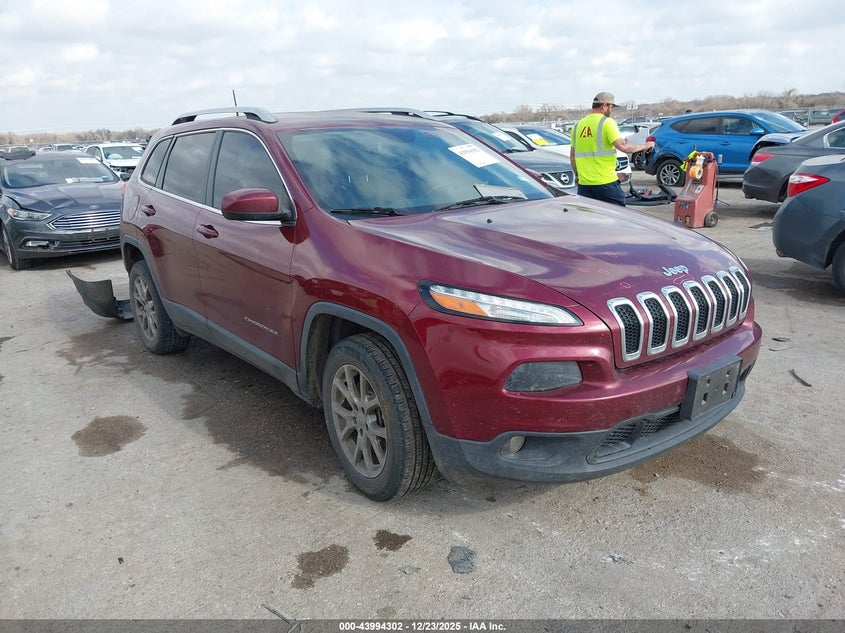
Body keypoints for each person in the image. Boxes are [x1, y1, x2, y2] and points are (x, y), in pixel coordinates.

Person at [569, 91, 655, 206]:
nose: (611, 110)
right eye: (611, 107)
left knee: (590, 215)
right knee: (617, 214)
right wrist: (646, 146)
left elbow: (573, 156)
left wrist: (577, 176)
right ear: (604, 106)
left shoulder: (577, 126)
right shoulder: (607, 122)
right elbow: (623, 147)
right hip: (605, 183)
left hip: (584, 185)